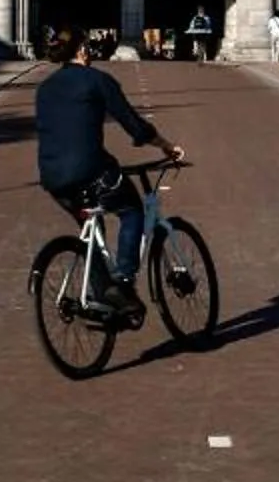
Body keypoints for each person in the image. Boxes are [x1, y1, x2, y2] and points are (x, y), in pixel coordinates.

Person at [34, 27, 181, 320]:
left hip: (53, 178)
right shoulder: (97, 80)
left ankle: (104, 296)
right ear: (81, 50)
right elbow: (134, 125)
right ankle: (124, 281)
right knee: (131, 209)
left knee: (92, 227)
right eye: (87, 46)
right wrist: (166, 146)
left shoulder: (44, 88)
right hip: (91, 171)